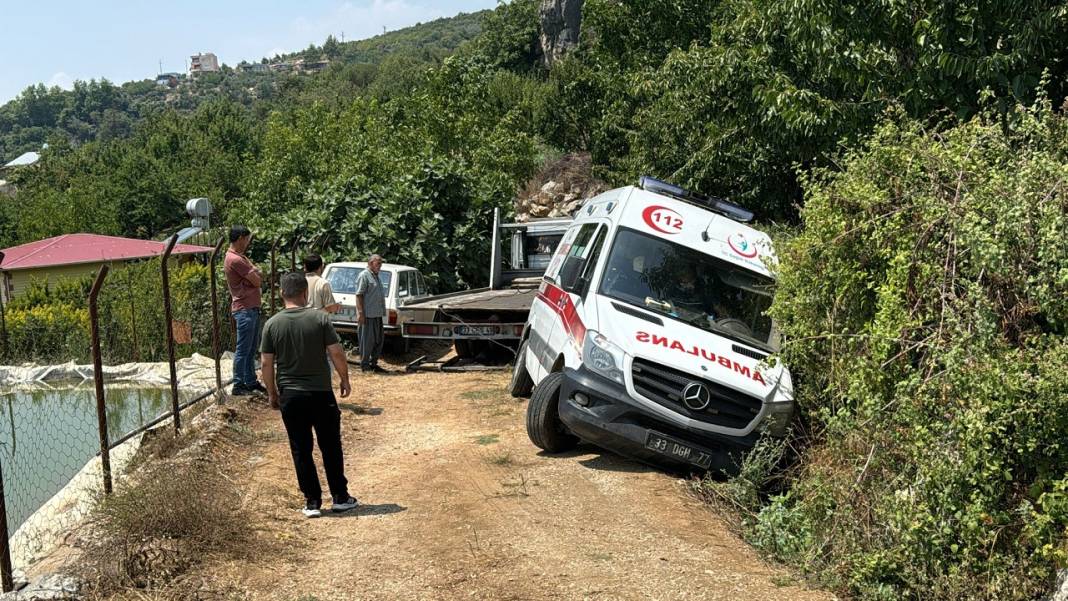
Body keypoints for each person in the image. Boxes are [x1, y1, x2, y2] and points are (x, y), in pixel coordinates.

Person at [261, 272, 359, 518]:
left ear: (281, 294)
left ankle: (312, 501)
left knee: (300, 448)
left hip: (291, 395)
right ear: (305, 293)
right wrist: (344, 379)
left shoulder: (272, 324)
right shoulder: (320, 319)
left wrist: (272, 393)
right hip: (321, 393)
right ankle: (340, 496)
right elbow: (336, 352)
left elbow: (266, 363)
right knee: (330, 445)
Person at [224, 225, 265, 396]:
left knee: (251, 348)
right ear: (241, 238)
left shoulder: (240, 257)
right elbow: (257, 281)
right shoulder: (236, 260)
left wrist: (254, 275)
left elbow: (256, 276)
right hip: (244, 309)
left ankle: (250, 381)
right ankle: (238, 383)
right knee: (243, 349)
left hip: (251, 308)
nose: (248, 243)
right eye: (247, 239)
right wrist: (253, 276)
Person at [355, 254, 387, 373]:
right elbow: (359, 295)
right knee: (367, 341)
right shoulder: (364, 275)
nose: (380, 265)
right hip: (368, 315)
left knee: (378, 340)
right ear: (370, 263)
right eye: (378, 263)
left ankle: (374, 364)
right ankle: (365, 365)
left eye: (381, 263)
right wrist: (360, 313)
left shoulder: (376, 276)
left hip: (377, 314)